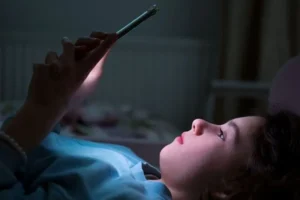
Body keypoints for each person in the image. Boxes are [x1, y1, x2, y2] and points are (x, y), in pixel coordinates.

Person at [0, 32, 300, 200]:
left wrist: (38, 111)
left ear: (228, 190)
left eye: (222, 134)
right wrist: (72, 100)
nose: (199, 123)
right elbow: (52, 158)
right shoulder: (151, 177)